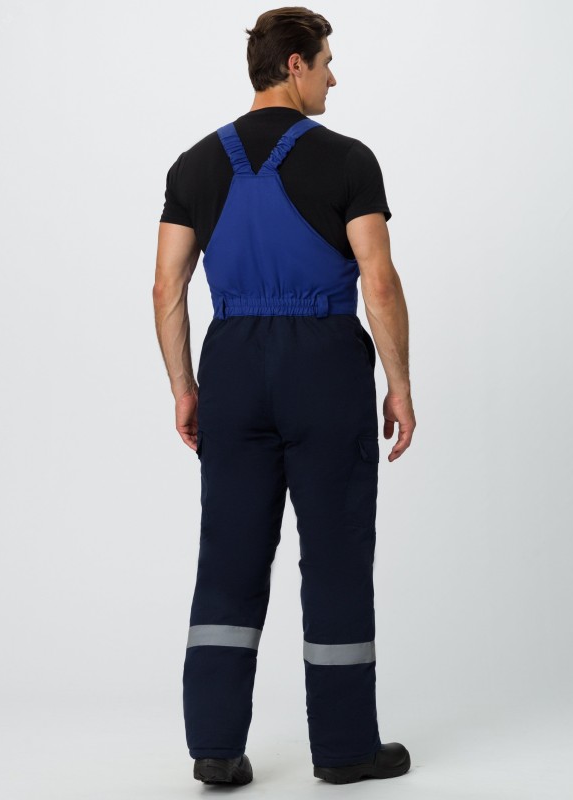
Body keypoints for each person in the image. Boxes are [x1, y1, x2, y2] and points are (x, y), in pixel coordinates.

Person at [154, 6, 415, 786]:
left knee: (229, 552)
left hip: (232, 366)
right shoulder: (349, 160)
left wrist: (185, 389)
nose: (334, 77)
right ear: (295, 64)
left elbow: (167, 287)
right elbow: (379, 281)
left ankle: (214, 748)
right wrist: (400, 384)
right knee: (334, 554)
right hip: (324, 366)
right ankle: (344, 749)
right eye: (327, 62)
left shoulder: (194, 165)